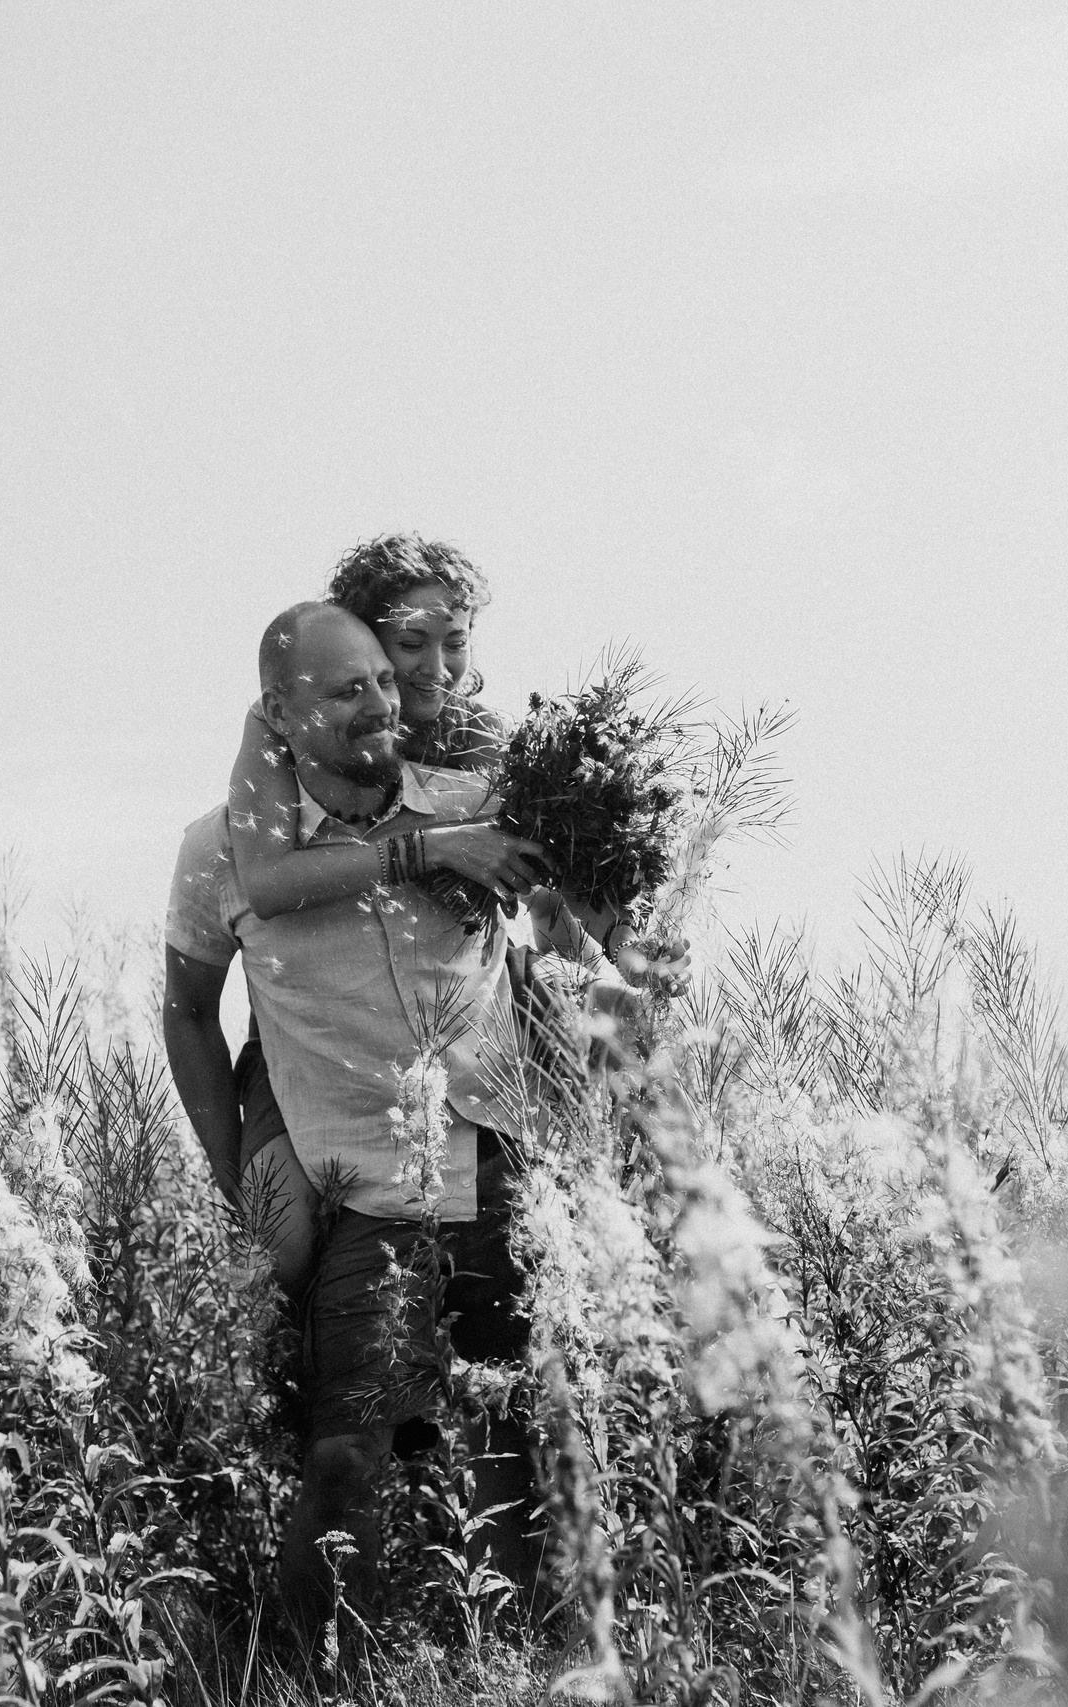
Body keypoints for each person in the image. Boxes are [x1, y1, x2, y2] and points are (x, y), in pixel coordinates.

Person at [160, 600, 577, 1643]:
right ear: (279, 714)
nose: (381, 705)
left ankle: (523, 1662)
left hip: (489, 1168)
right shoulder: (222, 851)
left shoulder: (473, 813)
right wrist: (238, 1178)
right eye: (347, 692)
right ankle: (301, 1670)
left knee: (519, 1433)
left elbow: (575, 916)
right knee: (347, 1454)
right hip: (358, 1192)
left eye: (383, 682)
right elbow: (184, 1011)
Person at [218, 536, 637, 1295]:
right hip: (315, 1031)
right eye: (408, 643)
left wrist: (614, 938)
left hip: (465, 1004)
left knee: (618, 1070)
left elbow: (549, 877)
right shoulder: (284, 730)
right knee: (281, 1250)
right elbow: (266, 875)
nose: (433, 669)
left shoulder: (479, 740)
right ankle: (276, 1386)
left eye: (455, 643)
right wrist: (432, 849)